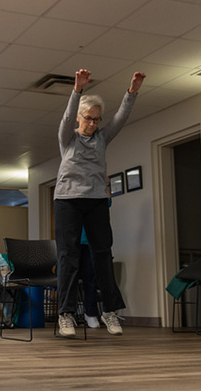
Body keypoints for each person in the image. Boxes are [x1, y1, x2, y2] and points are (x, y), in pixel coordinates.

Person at [55, 68, 144, 337]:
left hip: (95, 201)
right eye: (88, 119)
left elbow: (121, 117)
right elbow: (68, 115)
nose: (93, 124)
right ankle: (66, 314)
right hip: (67, 201)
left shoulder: (102, 138)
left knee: (103, 255)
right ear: (79, 118)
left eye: (96, 120)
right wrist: (77, 90)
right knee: (68, 257)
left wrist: (132, 92)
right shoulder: (67, 138)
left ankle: (109, 311)